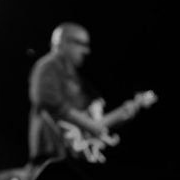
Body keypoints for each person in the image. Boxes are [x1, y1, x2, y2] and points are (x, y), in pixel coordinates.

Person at [27, 22, 142, 165]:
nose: (86, 51)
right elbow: (46, 99)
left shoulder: (75, 77)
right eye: (81, 43)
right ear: (63, 42)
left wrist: (123, 113)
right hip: (51, 152)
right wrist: (91, 125)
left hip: (70, 153)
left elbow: (88, 118)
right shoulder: (48, 65)